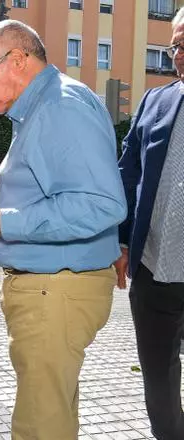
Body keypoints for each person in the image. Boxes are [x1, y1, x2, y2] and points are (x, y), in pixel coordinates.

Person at [0, 21, 127, 439]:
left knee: (39, 427)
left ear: (17, 60)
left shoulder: (58, 107)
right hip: (56, 289)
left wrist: (1, 222)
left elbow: (101, 203)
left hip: (56, 291)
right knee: (52, 416)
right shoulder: (47, 105)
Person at [113, 10, 184, 439]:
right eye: (177, 45)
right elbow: (127, 174)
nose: (180, 54)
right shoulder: (154, 102)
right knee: (159, 385)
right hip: (156, 272)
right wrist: (121, 243)